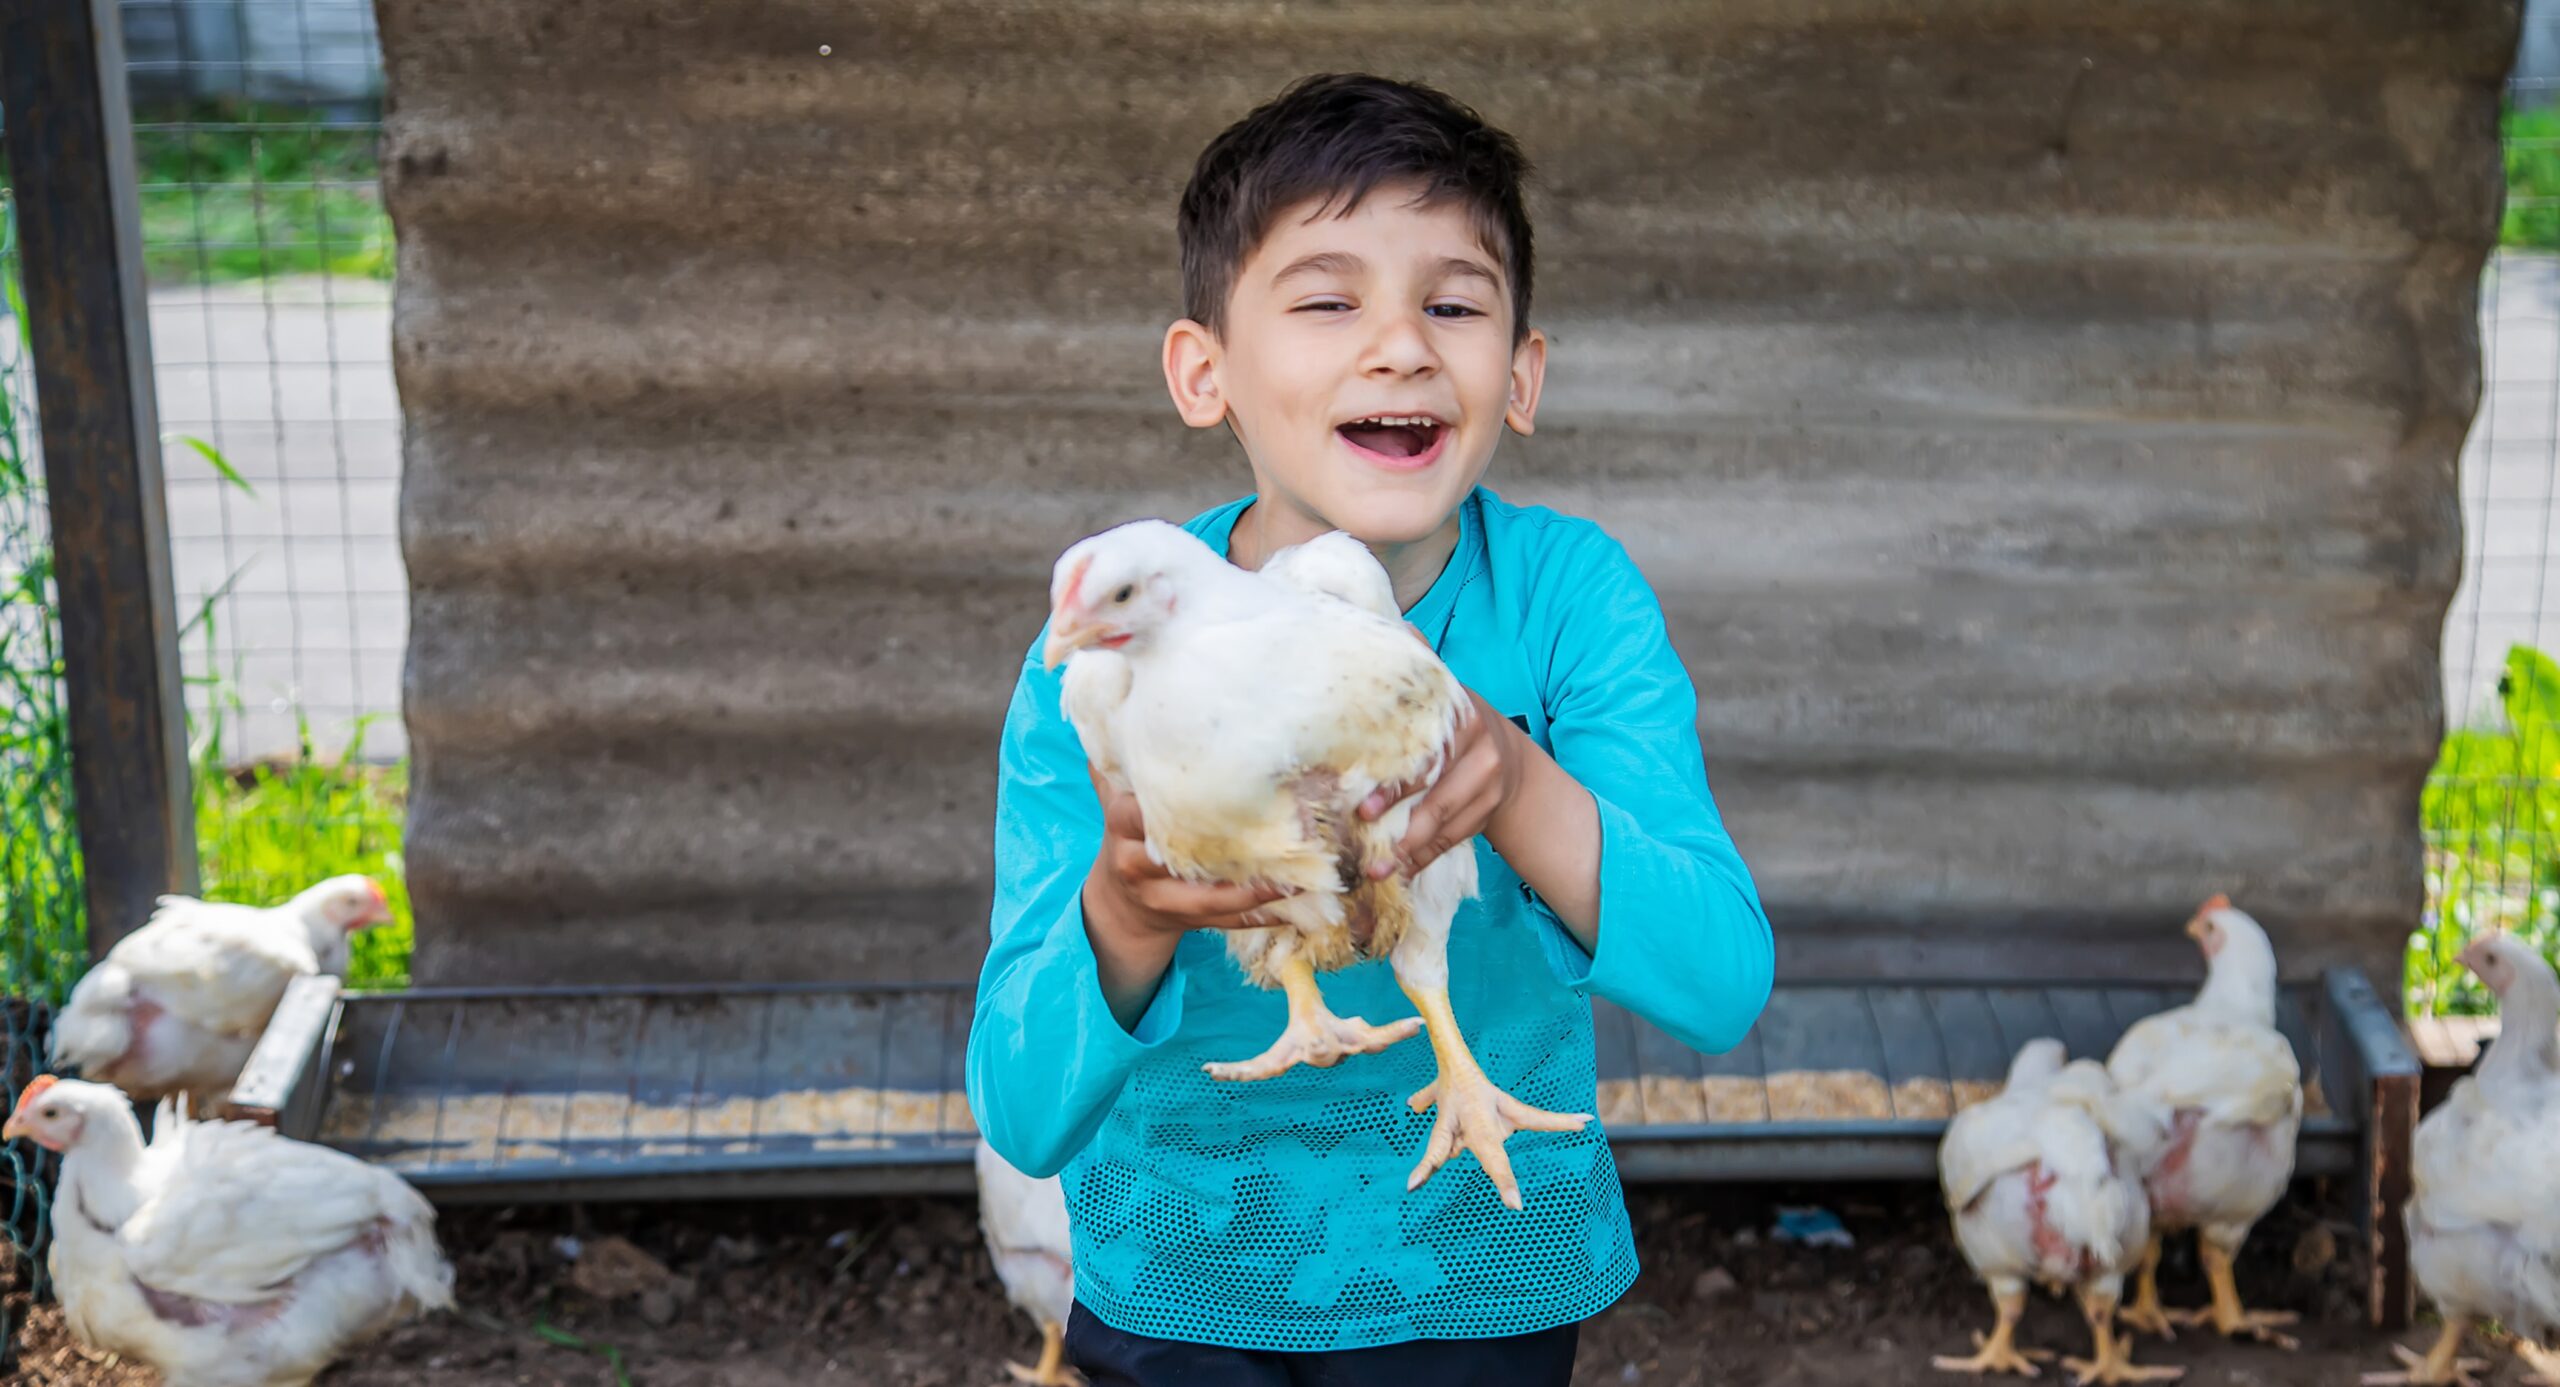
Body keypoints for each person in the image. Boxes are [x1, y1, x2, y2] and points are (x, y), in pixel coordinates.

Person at [965, 72, 1774, 1387]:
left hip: (1480, 1285)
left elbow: (1719, 983)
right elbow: (1022, 1107)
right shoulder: (1104, 643)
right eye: (1329, 300)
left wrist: (1509, 777)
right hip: (1183, 1285)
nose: (1399, 345)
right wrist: (1127, 912)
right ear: (1202, 372)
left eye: (1451, 305)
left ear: (1520, 376)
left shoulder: (1567, 603)